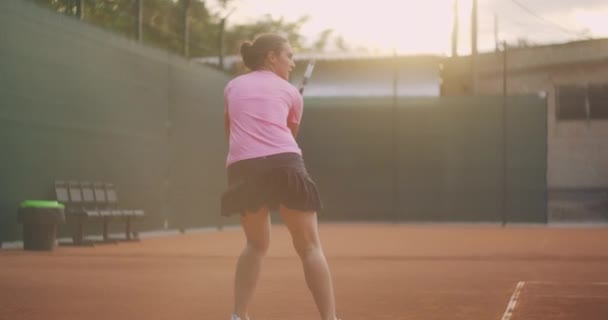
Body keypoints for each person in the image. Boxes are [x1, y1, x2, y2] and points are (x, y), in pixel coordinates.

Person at [221, 33, 340, 320]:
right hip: (284, 163)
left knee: (255, 244)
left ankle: (239, 316)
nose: (292, 62)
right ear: (271, 57)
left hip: (243, 167)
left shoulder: (232, 87)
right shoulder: (291, 93)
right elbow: (290, 134)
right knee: (310, 247)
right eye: (288, 55)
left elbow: (230, 130)